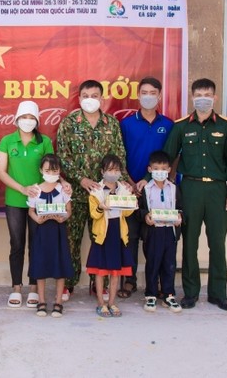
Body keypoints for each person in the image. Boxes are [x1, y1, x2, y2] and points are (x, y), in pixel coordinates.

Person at [163, 78, 227, 312]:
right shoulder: (182, 126)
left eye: (207, 94)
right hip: (190, 189)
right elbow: (168, 157)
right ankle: (191, 293)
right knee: (190, 242)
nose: (203, 98)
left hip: (218, 190)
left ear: (214, 97)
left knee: (217, 243)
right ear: (192, 97)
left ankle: (219, 294)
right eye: (199, 94)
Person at [56, 80, 130, 301]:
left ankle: (100, 284)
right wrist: (81, 179)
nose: (90, 99)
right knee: (71, 241)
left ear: (102, 98)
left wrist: (124, 182)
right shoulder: (69, 123)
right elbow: (62, 156)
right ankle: (68, 283)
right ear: (79, 99)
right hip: (77, 195)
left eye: (94, 95)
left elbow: (120, 156)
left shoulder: (112, 124)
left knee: (104, 238)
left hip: (105, 196)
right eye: (85, 95)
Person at [119, 77, 174, 299]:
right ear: (138, 95)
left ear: (159, 96)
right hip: (131, 190)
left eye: (153, 92)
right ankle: (130, 280)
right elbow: (119, 154)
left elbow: (172, 158)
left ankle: (158, 282)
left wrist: (149, 179)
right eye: (144, 92)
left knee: (155, 237)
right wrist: (131, 183)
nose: (148, 96)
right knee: (130, 236)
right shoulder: (127, 124)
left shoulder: (169, 125)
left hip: (157, 190)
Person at [0, 100, 54, 308]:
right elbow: (1, 171)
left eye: (32, 118)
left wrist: (42, 188)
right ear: (17, 119)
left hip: (39, 200)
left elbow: (51, 170)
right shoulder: (7, 141)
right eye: (24, 117)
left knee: (36, 244)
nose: (27, 121)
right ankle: (16, 287)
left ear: (37, 121)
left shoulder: (44, 141)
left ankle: (33, 288)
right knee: (17, 244)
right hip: (14, 200)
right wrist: (22, 189)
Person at [87, 154, 134, 318]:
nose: (113, 173)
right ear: (102, 171)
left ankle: (112, 302)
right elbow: (94, 214)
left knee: (115, 271)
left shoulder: (123, 189)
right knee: (100, 272)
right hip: (102, 235)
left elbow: (127, 212)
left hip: (118, 233)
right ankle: (101, 303)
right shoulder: (96, 191)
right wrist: (101, 207)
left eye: (116, 170)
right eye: (109, 170)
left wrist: (129, 199)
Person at [27, 154, 73, 318]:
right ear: (41, 170)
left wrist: (64, 217)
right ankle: (41, 301)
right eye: (47, 170)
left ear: (59, 171)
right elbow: (31, 211)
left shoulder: (63, 190)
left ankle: (58, 302)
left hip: (58, 232)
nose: (51, 173)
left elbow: (69, 210)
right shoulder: (36, 190)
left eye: (54, 170)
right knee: (40, 265)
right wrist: (37, 219)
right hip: (41, 232)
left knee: (59, 265)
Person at [138, 150, 182, 313]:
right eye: (156, 168)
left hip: (169, 231)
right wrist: (146, 217)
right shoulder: (146, 189)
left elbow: (181, 209)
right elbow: (140, 210)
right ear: (149, 170)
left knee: (169, 263)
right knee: (153, 263)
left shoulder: (174, 188)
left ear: (169, 169)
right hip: (153, 232)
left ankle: (169, 294)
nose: (160, 172)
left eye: (164, 169)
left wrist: (180, 217)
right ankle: (151, 294)